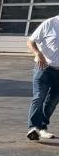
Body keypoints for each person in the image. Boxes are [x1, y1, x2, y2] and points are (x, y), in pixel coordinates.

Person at [27, 11, 59, 140]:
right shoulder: (50, 23)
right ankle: (33, 128)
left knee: (52, 101)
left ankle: (42, 127)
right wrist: (37, 53)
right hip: (44, 69)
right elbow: (30, 41)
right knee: (39, 97)